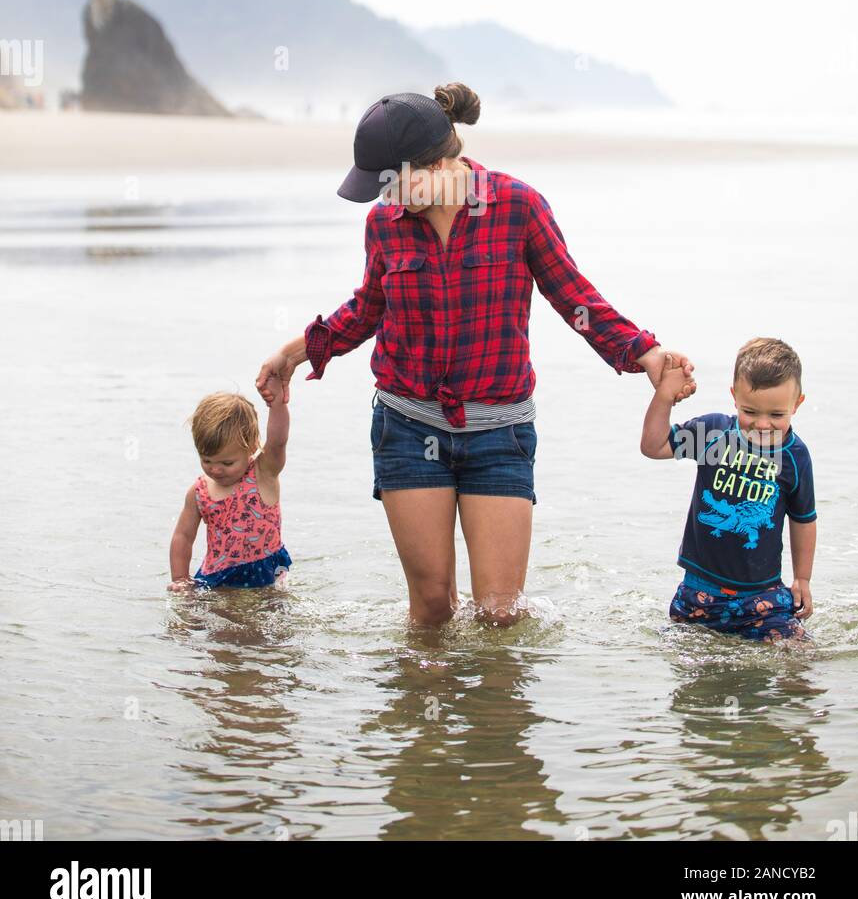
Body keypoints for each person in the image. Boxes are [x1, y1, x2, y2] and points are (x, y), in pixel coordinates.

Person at [257, 82, 696, 627]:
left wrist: (645, 353)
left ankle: (492, 711)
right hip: (407, 427)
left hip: (499, 433)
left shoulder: (518, 206)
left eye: (391, 184)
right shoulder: (384, 227)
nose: (385, 199)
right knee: (433, 611)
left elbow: (574, 296)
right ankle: (422, 709)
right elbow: (367, 310)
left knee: (499, 616)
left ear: (438, 163)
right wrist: (293, 354)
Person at [641, 336, 816, 642]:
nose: (763, 425)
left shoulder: (794, 456)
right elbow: (653, 446)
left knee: (801, 657)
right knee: (692, 673)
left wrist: (802, 578)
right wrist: (665, 396)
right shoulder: (713, 434)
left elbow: (804, 518)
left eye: (776, 415)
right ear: (734, 397)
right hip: (699, 591)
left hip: (763, 597)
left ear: (796, 404)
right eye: (751, 412)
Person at [168, 382, 292, 591]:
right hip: (219, 578)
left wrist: (278, 403)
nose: (215, 470)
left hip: (265, 574)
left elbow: (278, 441)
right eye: (207, 460)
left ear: (251, 447)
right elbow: (183, 536)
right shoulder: (199, 492)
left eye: (227, 463)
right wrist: (180, 578)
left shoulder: (263, 473)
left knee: (270, 618)